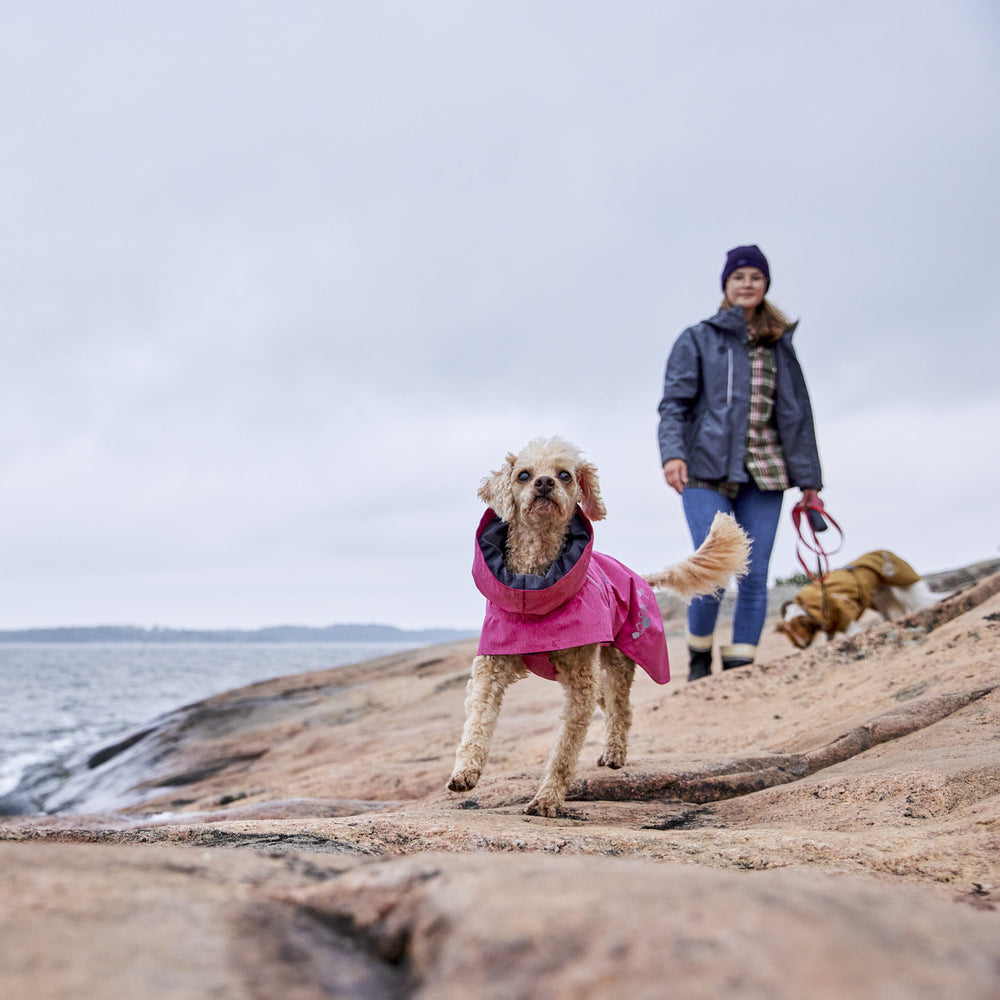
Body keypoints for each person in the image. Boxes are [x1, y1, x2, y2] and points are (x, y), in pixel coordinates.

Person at [657, 244, 823, 680]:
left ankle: (739, 671)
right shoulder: (698, 338)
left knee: (754, 573)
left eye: (755, 277)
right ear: (726, 285)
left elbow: (797, 415)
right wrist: (673, 453)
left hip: (765, 473)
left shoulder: (779, 343)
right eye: (739, 277)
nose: (747, 284)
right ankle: (698, 664)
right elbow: (674, 403)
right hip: (703, 470)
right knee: (711, 568)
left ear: (765, 284)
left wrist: (809, 481)